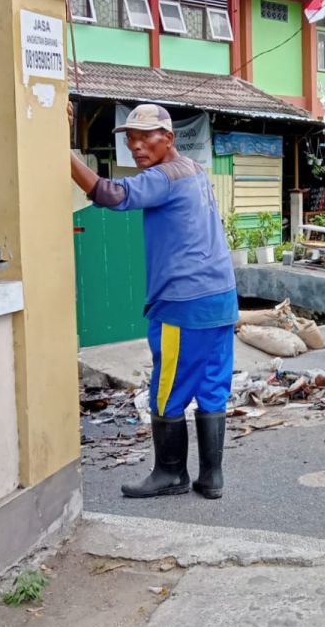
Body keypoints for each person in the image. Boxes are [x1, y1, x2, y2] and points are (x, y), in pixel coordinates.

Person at [70, 104, 237, 500]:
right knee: (213, 386)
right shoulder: (194, 172)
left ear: (169, 138)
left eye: (147, 137)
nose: (136, 146)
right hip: (221, 298)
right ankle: (212, 478)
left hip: (184, 303)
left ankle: (170, 473)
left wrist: (64, 155)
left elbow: (109, 194)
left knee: (167, 391)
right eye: (130, 138)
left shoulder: (162, 178)